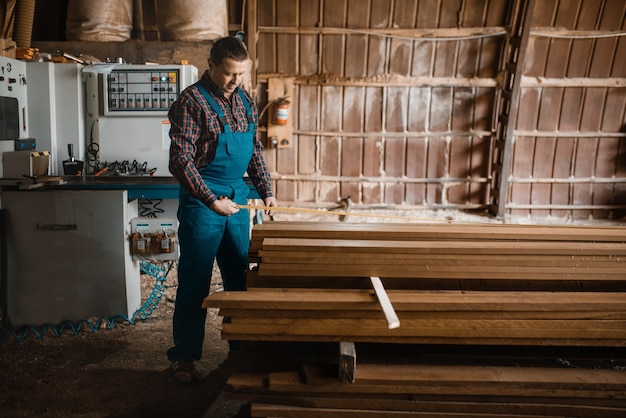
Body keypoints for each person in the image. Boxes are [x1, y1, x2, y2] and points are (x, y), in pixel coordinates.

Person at [167, 36, 277, 384]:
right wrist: (210, 199)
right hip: (205, 202)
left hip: (238, 199)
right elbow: (180, 159)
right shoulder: (191, 101)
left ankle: (241, 348)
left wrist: (267, 191)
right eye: (229, 74)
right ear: (212, 66)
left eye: (241, 74)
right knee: (196, 280)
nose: (235, 81)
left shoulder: (244, 100)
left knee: (239, 277)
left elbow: (254, 151)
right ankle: (184, 357)